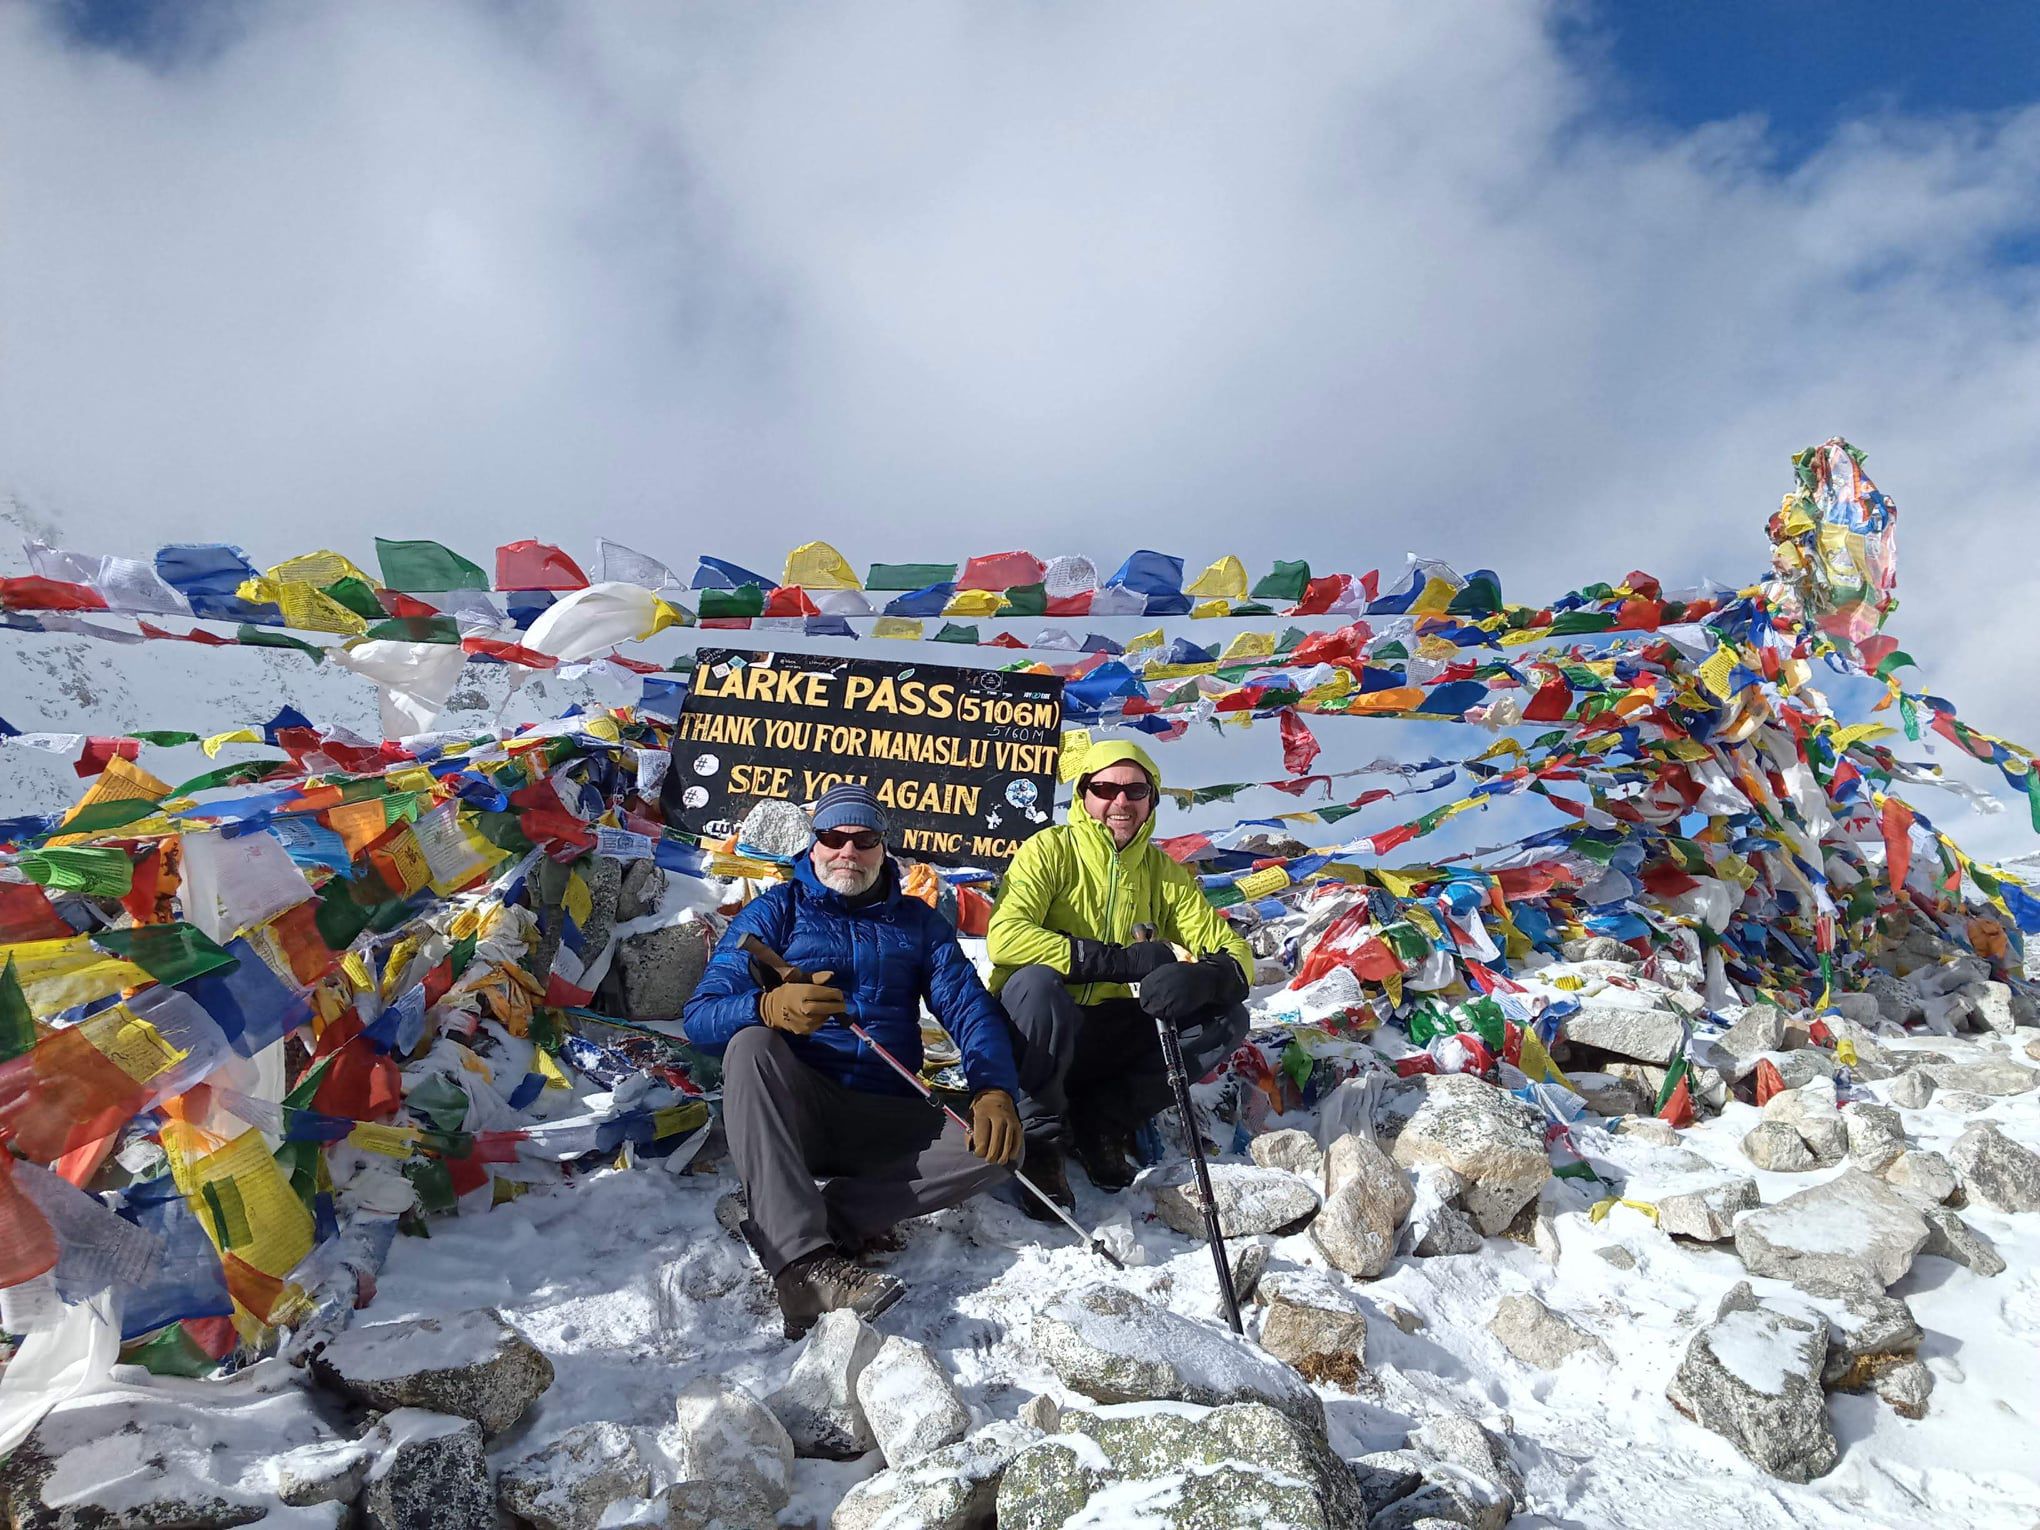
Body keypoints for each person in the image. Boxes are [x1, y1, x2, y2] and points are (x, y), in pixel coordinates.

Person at [682, 783, 1024, 1337]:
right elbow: (700, 1018)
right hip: (800, 1109)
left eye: (863, 838)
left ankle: (816, 1218)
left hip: (890, 1106)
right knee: (750, 1045)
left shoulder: (920, 923)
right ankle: (801, 1268)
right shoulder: (775, 912)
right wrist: (765, 1005)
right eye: (833, 837)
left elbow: (970, 1009)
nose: (848, 851)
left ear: (882, 846)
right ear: (813, 845)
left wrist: (993, 1089)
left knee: (996, 1146)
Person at [986, 740, 1253, 1215]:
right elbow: (1006, 937)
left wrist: (1208, 979)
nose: (1120, 802)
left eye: (1135, 790)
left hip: (1106, 1031)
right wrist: (1120, 961)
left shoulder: (1164, 873)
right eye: (1105, 787)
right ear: (1083, 795)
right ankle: (1039, 1136)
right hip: (1038, 1028)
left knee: (1227, 1017)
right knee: (1034, 984)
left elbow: (1233, 951)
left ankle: (1102, 1121)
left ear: (1152, 799)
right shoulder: (1048, 850)